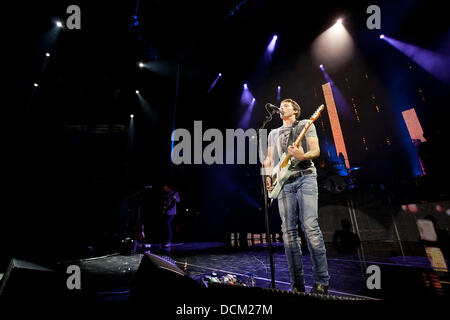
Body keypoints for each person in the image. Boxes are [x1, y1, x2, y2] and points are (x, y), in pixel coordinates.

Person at [264, 98, 330, 294]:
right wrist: (268, 175)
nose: (282, 107)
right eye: (281, 105)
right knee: (288, 232)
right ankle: (297, 283)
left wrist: (303, 156)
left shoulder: (305, 124)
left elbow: (315, 150)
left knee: (310, 227)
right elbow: (269, 158)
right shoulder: (273, 132)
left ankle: (321, 281)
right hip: (284, 182)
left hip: (306, 177)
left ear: (295, 111)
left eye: (286, 105)